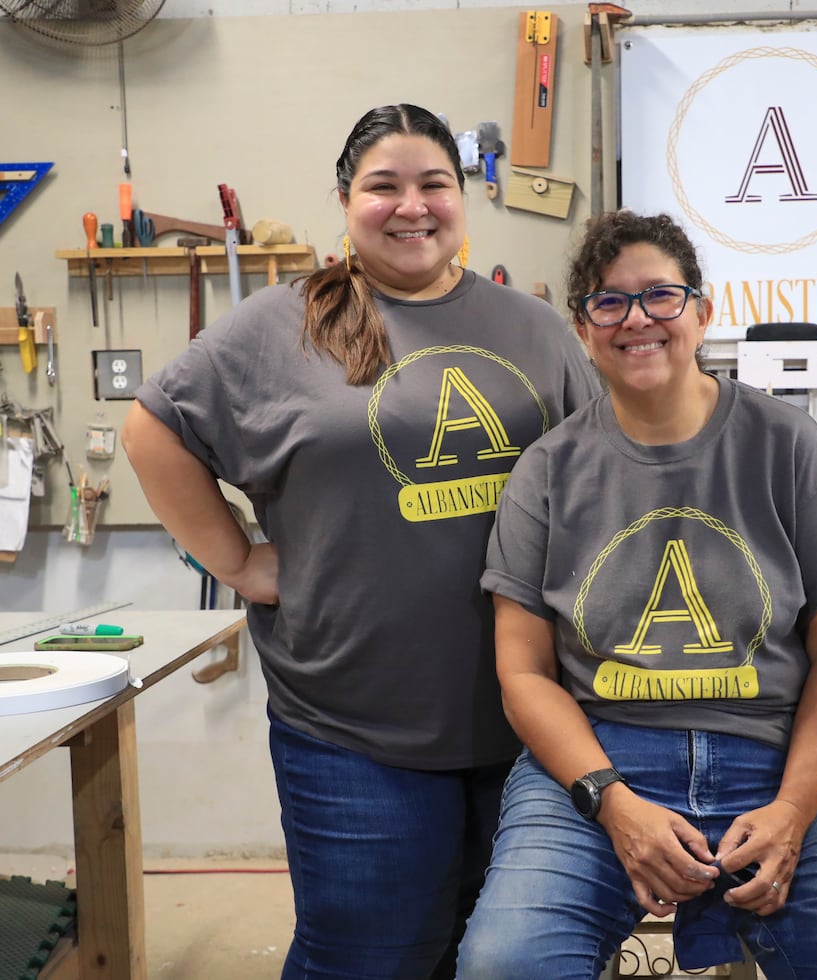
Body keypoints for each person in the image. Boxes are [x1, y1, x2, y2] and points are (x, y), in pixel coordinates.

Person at [121, 103, 598, 979]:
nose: (412, 206)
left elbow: (600, 480)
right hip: (352, 724)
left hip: (532, 719)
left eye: (434, 185)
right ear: (346, 200)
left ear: (464, 199)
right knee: (368, 960)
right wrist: (234, 560)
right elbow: (154, 430)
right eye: (384, 186)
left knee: (500, 959)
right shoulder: (278, 325)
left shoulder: (531, 329)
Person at [454, 210, 817, 979]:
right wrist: (613, 802)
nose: (638, 319)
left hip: (773, 754)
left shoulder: (787, 445)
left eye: (661, 296)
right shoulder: (547, 471)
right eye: (610, 301)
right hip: (601, 759)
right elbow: (524, 673)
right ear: (583, 326)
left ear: (704, 310)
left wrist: (795, 810)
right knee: (504, 966)